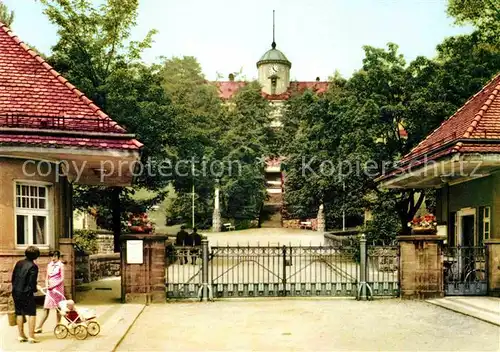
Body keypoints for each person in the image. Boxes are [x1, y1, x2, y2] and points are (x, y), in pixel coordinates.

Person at [11, 246, 41, 344]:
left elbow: (13, 277)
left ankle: (21, 335)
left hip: (16, 291)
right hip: (26, 292)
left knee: (19, 312)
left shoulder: (19, 263)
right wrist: (35, 289)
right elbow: (32, 283)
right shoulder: (33, 266)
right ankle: (31, 336)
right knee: (32, 313)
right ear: (36, 256)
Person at [35, 251, 64, 333]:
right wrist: (47, 283)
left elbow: (62, 278)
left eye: (55, 256)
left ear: (58, 257)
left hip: (58, 289)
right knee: (46, 307)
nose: (53, 258)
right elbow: (47, 277)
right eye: (52, 256)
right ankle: (39, 327)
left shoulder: (61, 265)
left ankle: (58, 326)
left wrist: (54, 286)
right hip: (50, 289)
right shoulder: (49, 265)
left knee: (58, 308)